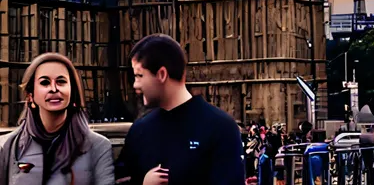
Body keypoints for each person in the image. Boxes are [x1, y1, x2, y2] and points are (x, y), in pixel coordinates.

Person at [116, 33, 245, 185]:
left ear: (161, 74)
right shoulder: (140, 130)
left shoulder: (220, 128)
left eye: (139, 76)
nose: (135, 85)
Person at [0, 52, 114, 184]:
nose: (53, 89)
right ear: (30, 95)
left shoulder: (98, 147)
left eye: (61, 82)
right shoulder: (8, 147)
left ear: (72, 92)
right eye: (45, 82)